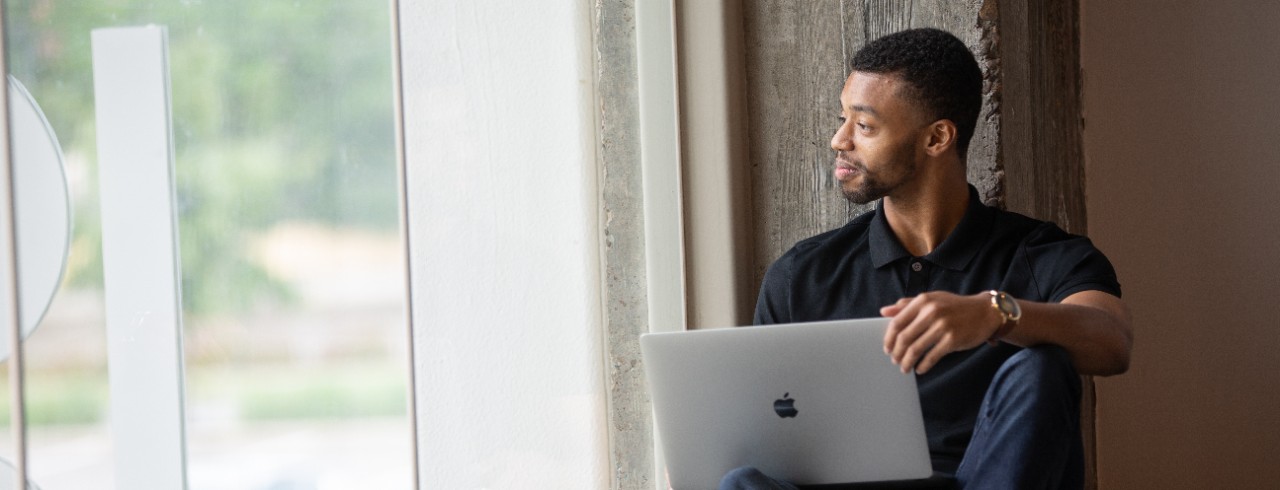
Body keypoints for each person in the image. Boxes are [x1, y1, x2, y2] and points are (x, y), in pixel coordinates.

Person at [719, 28, 1132, 490]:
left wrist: (994, 313)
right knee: (740, 480)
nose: (839, 140)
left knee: (1041, 369)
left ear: (937, 138)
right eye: (842, 119)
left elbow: (1112, 340)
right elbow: (758, 429)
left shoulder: (1038, 253)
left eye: (864, 125)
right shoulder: (804, 274)